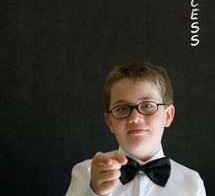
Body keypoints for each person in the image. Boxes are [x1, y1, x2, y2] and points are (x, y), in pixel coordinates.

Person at [65, 62, 206, 196]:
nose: (135, 118)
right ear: (110, 122)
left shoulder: (192, 183)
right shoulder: (86, 173)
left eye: (147, 105)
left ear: (167, 115)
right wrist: (94, 192)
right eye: (121, 108)